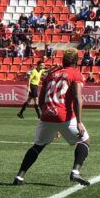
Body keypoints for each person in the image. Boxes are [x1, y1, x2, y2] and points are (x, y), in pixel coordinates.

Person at [13, 50, 90, 186]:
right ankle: (75, 172)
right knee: (84, 140)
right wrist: (79, 122)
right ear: (76, 61)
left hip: (46, 114)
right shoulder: (75, 74)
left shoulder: (51, 74)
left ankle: (19, 177)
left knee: (38, 146)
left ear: (63, 61)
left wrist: (48, 116)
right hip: (64, 115)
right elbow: (78, 98)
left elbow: (41, 100)